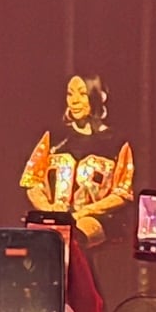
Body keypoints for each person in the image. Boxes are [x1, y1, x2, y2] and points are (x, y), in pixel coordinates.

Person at [20, 74, 135, 248]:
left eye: (82, 94)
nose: (74, 101)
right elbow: (32, 181)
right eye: (70, 94)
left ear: (98, 96)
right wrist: (48, 210)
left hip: (96, 219)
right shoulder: (54, 137)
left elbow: (122, 192)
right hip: (54, 218)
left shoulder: (115, 142)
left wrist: (85, 212)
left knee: (72, 239)